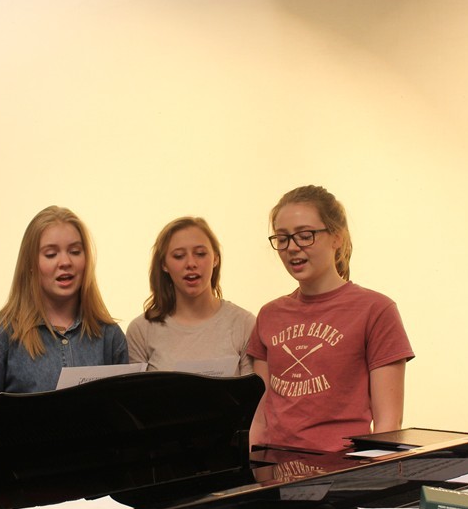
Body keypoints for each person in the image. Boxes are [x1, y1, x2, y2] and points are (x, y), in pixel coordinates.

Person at [248, 185, 414, 452]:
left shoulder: (376, 309)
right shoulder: (269, 314)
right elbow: (259, 416)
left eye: (305, 235)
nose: (292, 248)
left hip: (343, 476)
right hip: (274, 476)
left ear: (336, 237)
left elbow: (388, 424)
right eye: (282, 239)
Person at [0, 205, 128, 393]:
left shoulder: (109, 336)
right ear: (30, 264)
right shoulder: (1, 336)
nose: (65, 262)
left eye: (75, 251)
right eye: (51, 254)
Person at [127, 216, 255, 375]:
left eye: (200, 254)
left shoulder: (243, 324)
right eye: (179, 256)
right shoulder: (141, 330)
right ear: (164, 265)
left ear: (215, 258)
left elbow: (253, 396)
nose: (191, 264)